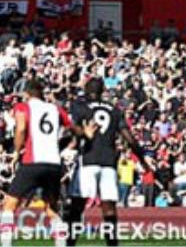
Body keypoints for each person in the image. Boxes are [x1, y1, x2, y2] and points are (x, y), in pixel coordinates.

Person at [0, 78, 92, 247]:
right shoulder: (55, 109)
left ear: (27, 94)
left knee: (10, 204)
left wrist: (16, 151)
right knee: (51, 208)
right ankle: (61, 243)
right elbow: (73, 128)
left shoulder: (23, 107)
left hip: (32, 162)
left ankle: (6, 245)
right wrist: (85, 131)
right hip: (54, 164)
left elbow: (20, 128)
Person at [64, 77, 152, 247]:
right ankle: (112, 245)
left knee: (77, 206)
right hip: (109, 162)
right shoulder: (114, 110)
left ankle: (69, 243)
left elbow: (73, 129)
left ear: (87, 91)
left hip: (88, 159)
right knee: (109, 208)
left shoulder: (80, 107)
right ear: (102, 91)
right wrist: (142, 160)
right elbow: (130, 139)